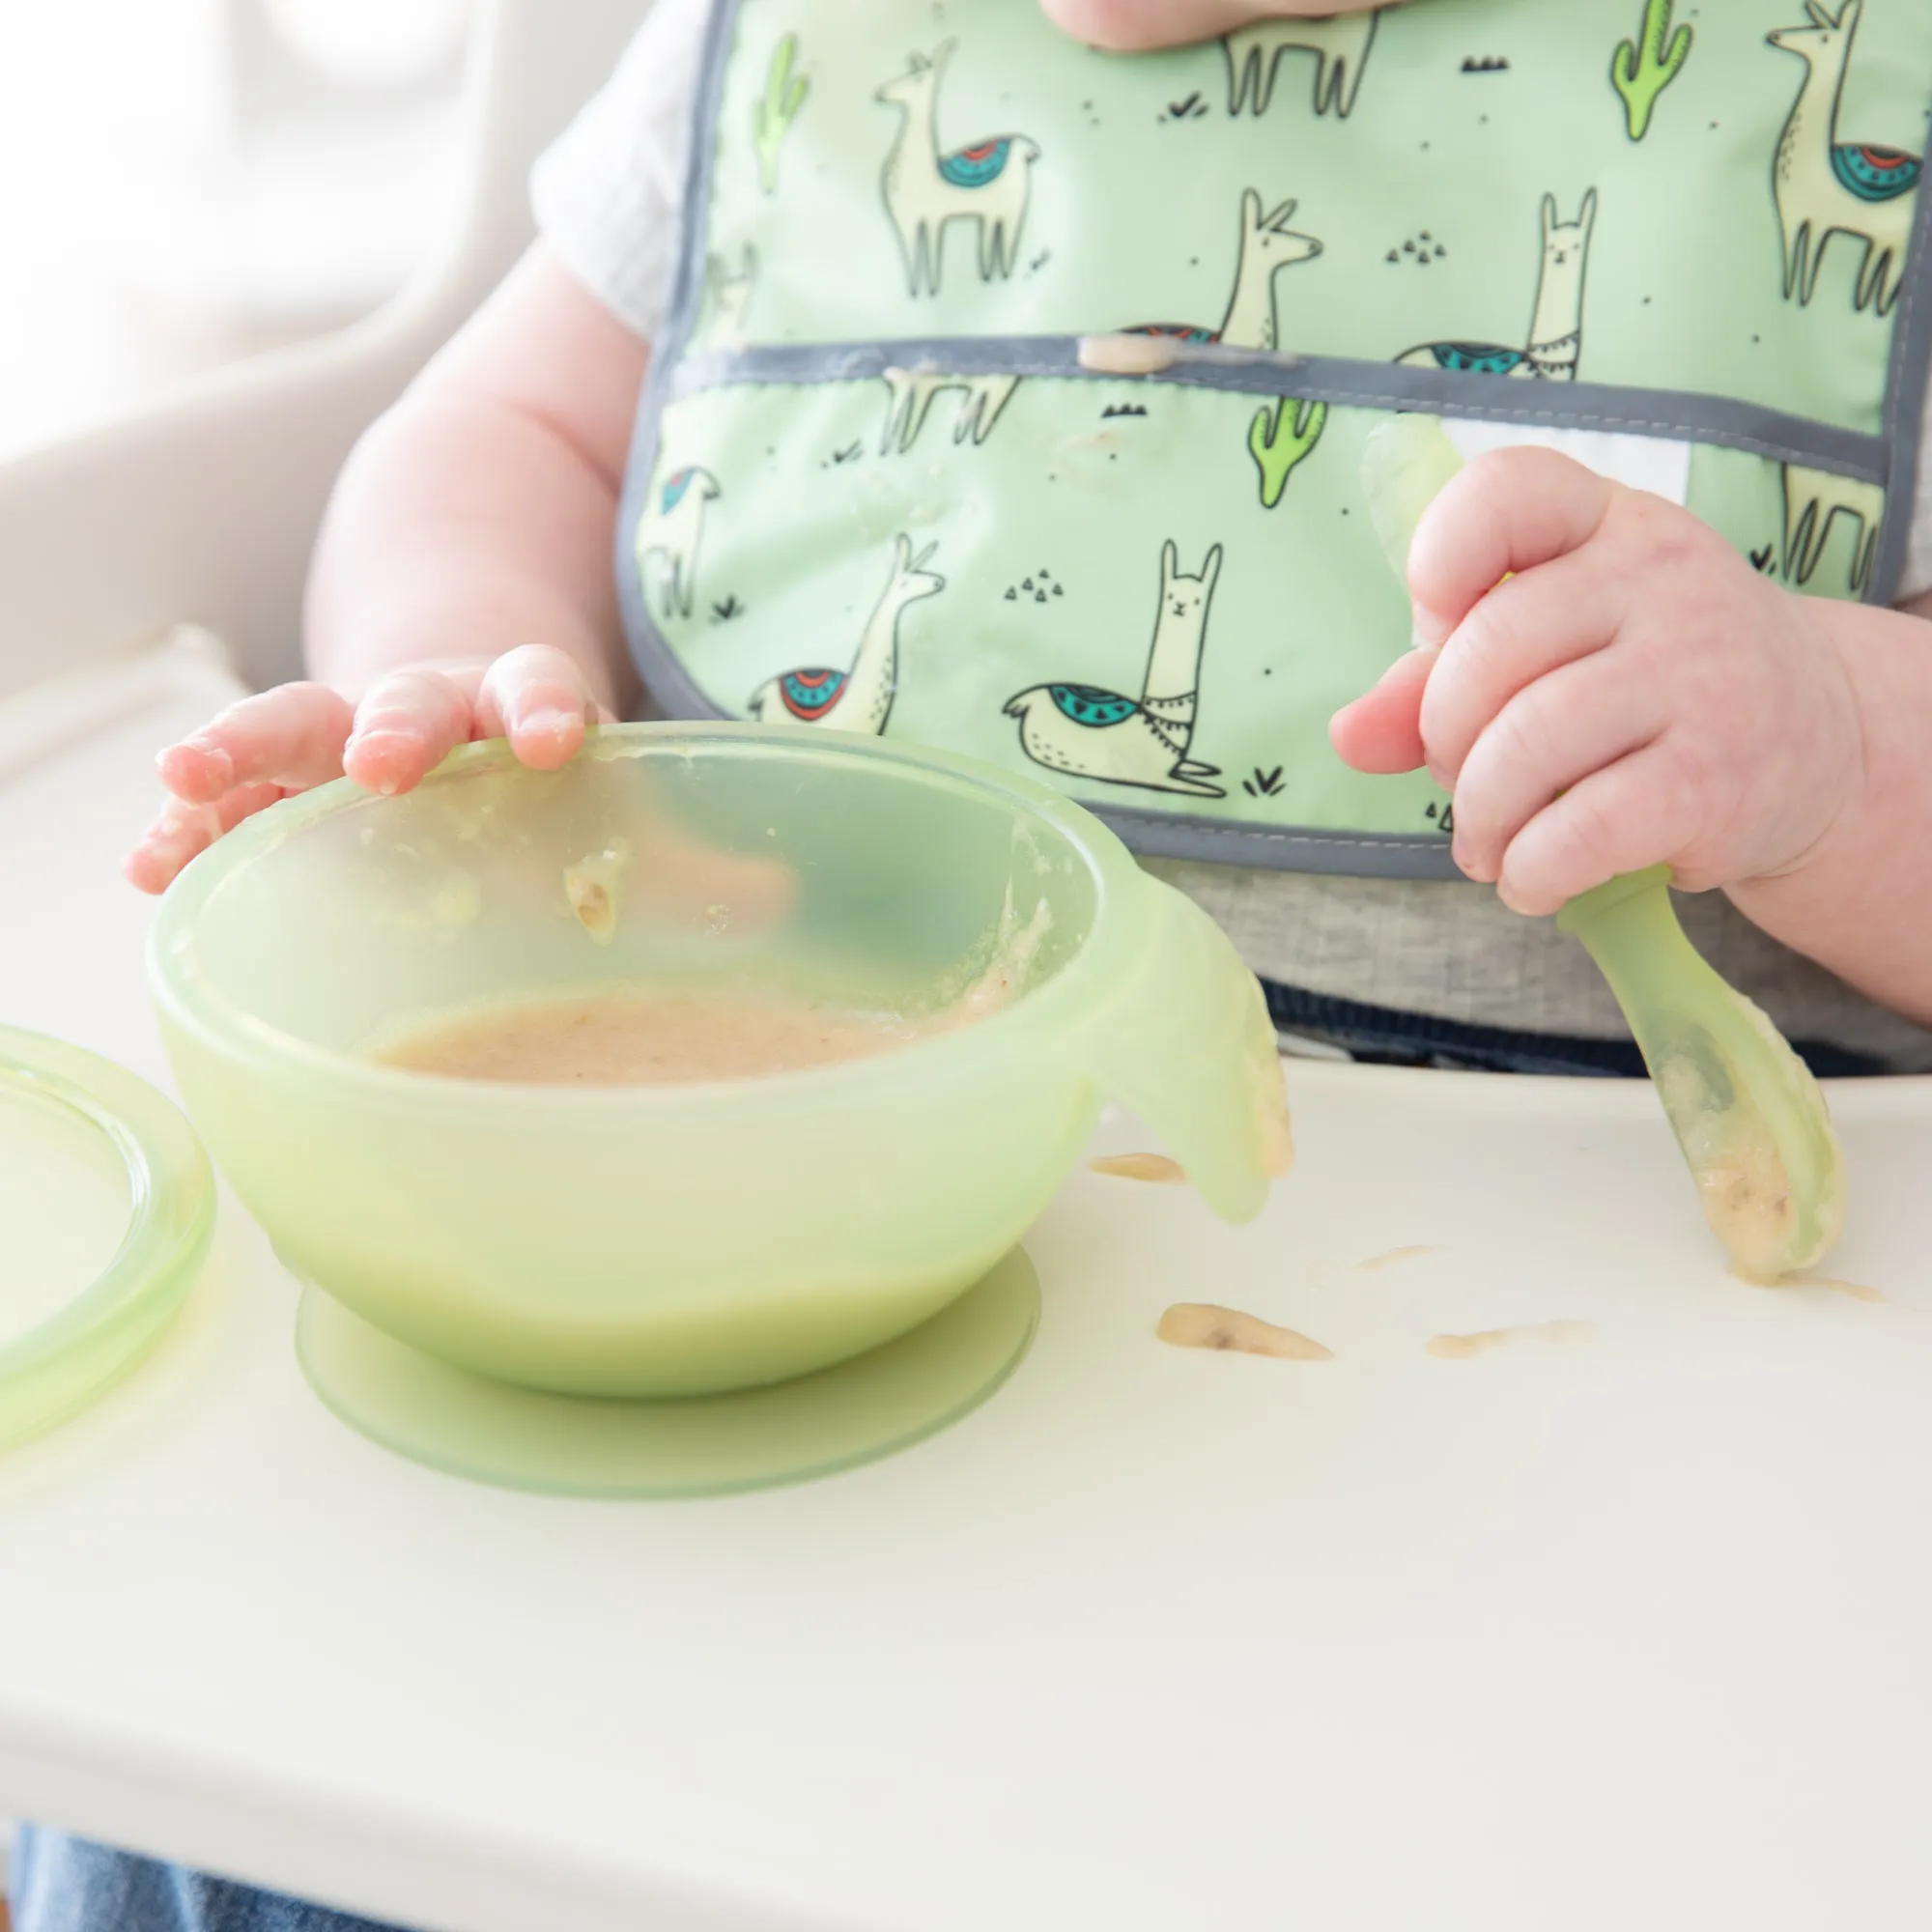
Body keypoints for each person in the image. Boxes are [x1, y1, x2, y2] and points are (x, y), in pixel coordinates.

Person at [40, 0, 1932, 1920]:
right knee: (234, 1754)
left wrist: (1833, 741)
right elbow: (501, 427)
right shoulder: (794, 47)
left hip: (1478, 1449)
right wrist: (451, 677)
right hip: (770, 1216)